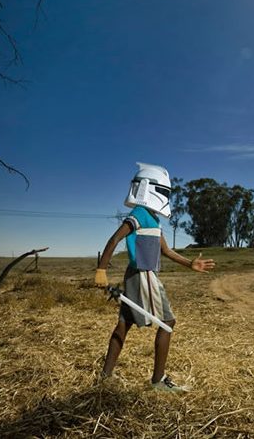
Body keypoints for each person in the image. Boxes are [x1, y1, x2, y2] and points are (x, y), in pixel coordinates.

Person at [95, 162, 215, 392]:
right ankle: (158, 381)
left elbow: (166, 251)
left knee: (124, 324)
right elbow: (114, 240)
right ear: (148, 189)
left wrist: (190, 263)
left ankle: (105, 377)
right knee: (168, 322)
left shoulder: (153, 219)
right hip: (143, 275)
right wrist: (101, 270)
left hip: (135, 274)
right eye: (162, 191)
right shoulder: (139, 214)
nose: (165, 196)